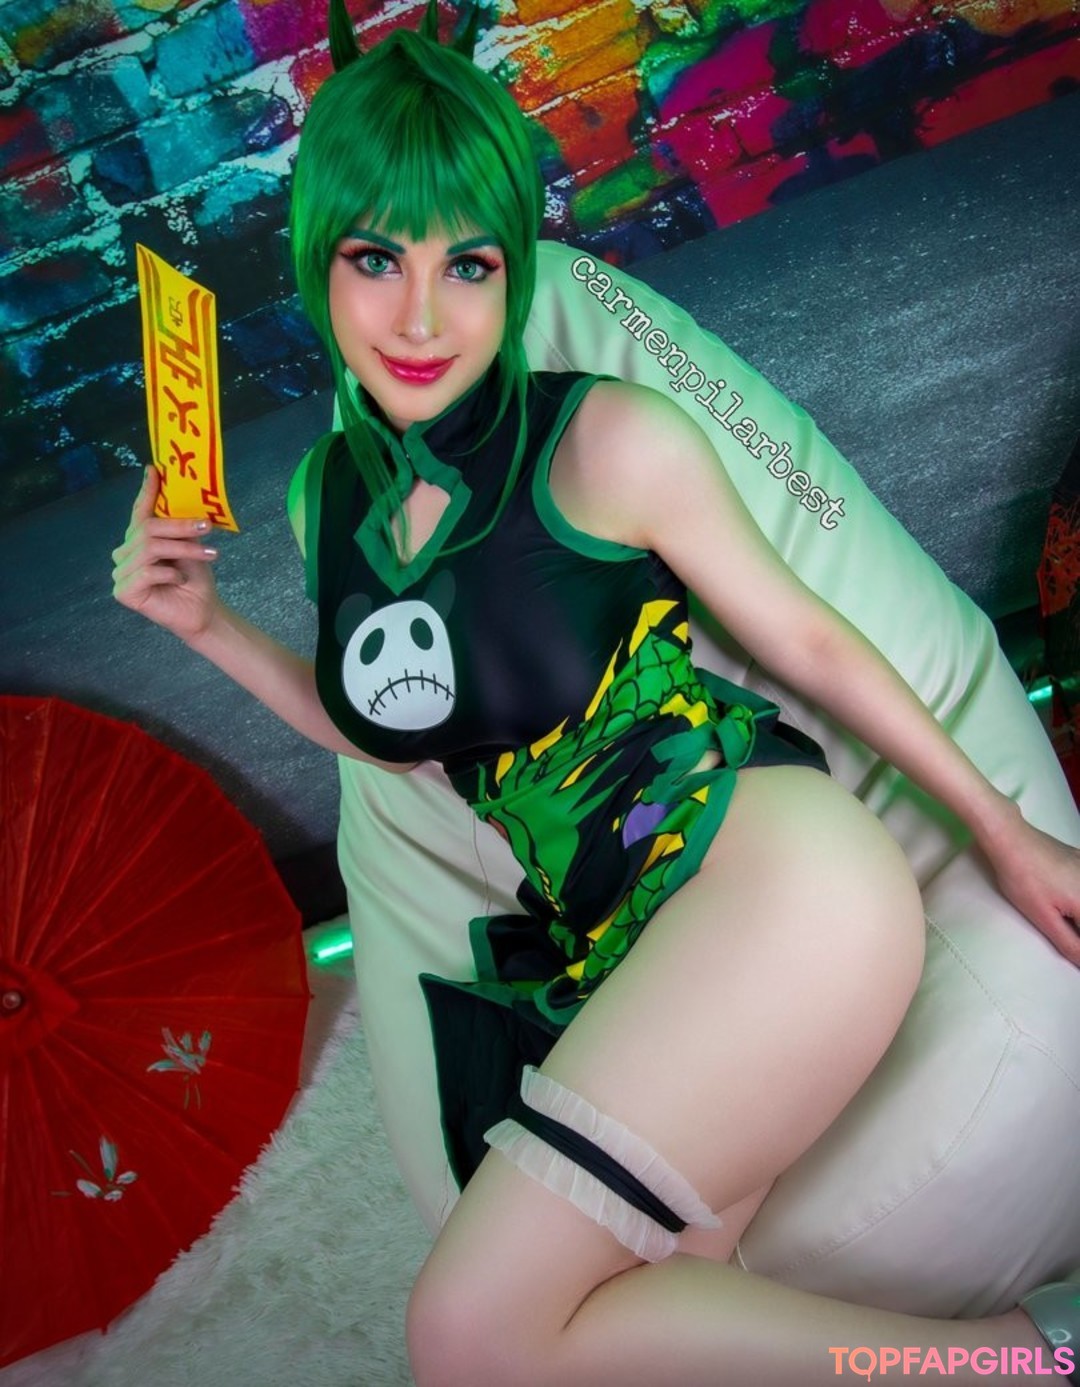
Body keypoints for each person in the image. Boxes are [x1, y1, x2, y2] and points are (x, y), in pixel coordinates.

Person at [112, 4, 1080, 1382]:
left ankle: (1030, 1365)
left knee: (462, 1331)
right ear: (319, 264)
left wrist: (1006, 830)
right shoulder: (332, 498)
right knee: (615, 1343)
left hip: (776, 889)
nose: (423, 317)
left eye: (470, 265)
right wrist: (205, 628)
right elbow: (393, 740)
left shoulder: (606, 438)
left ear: (515, 274)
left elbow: (811, 643)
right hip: (635, 950)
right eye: (378, 259)